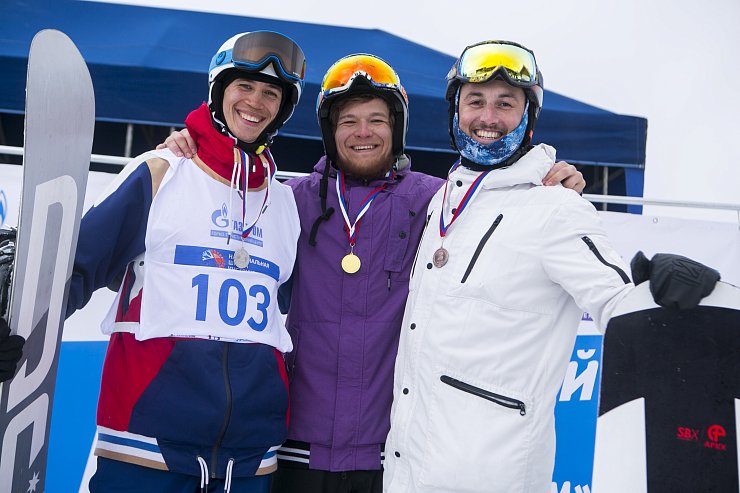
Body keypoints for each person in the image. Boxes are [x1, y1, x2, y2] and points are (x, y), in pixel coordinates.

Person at [158, 53, 586, 493]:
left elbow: (503, 198)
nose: (363, 133)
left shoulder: (438, 204)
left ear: (396, 127)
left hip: (391, 457)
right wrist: (187, 148)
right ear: (330, 130)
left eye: (377, 120)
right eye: (349, 121)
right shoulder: (287, 200)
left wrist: (550, 179)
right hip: (295, 453)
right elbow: (220, 201)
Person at [381, 40, 720, 493]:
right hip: (406, 474)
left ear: (528, 117)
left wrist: (670, 294)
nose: (487, 117)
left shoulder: (556, 209)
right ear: (455, 110)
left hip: (492, 480)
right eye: (475, 101)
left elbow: (617, 304)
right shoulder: (441, 204)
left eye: (506, 103)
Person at [0, 30, 306, 492]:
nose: (255, 102)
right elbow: (76, 269)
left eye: (270, 94)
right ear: (220, 91)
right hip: (148, 442)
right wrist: (15, 322)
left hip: (250, 455)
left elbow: (294, 314)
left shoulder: (283, 203)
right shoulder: (162, 172)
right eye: (244, 86)